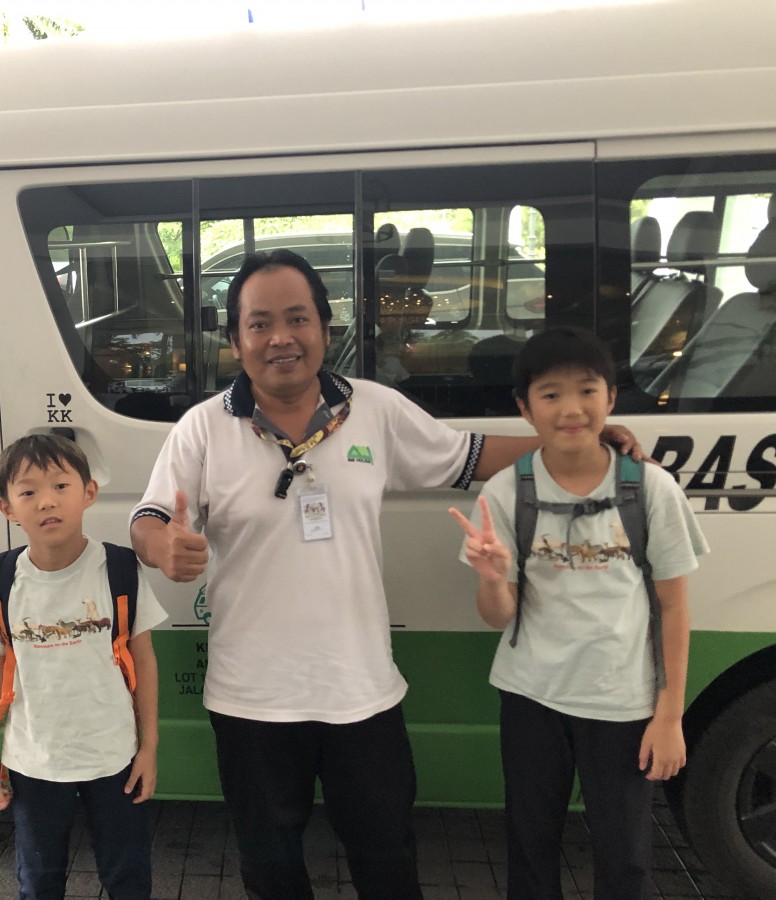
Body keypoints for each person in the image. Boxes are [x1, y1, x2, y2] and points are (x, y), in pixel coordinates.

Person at [129, 250, 644, 900]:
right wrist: (161, 546)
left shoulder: (371, 408)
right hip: (250, 699)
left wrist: (576, 444)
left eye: (298, 318)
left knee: (389, 861)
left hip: (363, 694)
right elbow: (147, 518)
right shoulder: (202, 428)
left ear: (324, 325)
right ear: (235, 339)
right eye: (260, 324)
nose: (281, 337)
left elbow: (467, 457)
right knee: (270, 868)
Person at [449, 327, 707, 900]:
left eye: (587, 390)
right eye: (550, 394)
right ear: (524, 408)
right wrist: (492, 578)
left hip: (622, 703)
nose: (571, 409)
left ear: (611, 398)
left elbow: (674, 606)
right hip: (530, 697)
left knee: (626, 857)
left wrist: (669, 716)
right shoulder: (504, 493)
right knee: (530, 847)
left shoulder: (651, 490)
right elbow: (499, 616)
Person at [0, 433, 167, 900]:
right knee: (39, 880)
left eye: (60, 485)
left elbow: (144, 660)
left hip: (114, 755)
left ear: (88, 493)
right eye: (28, 491)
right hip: (33, 760)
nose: (46, 502)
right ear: (7, 508)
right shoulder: (0, 578)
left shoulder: (118, 568)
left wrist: (149, 747)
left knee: (128, 875)